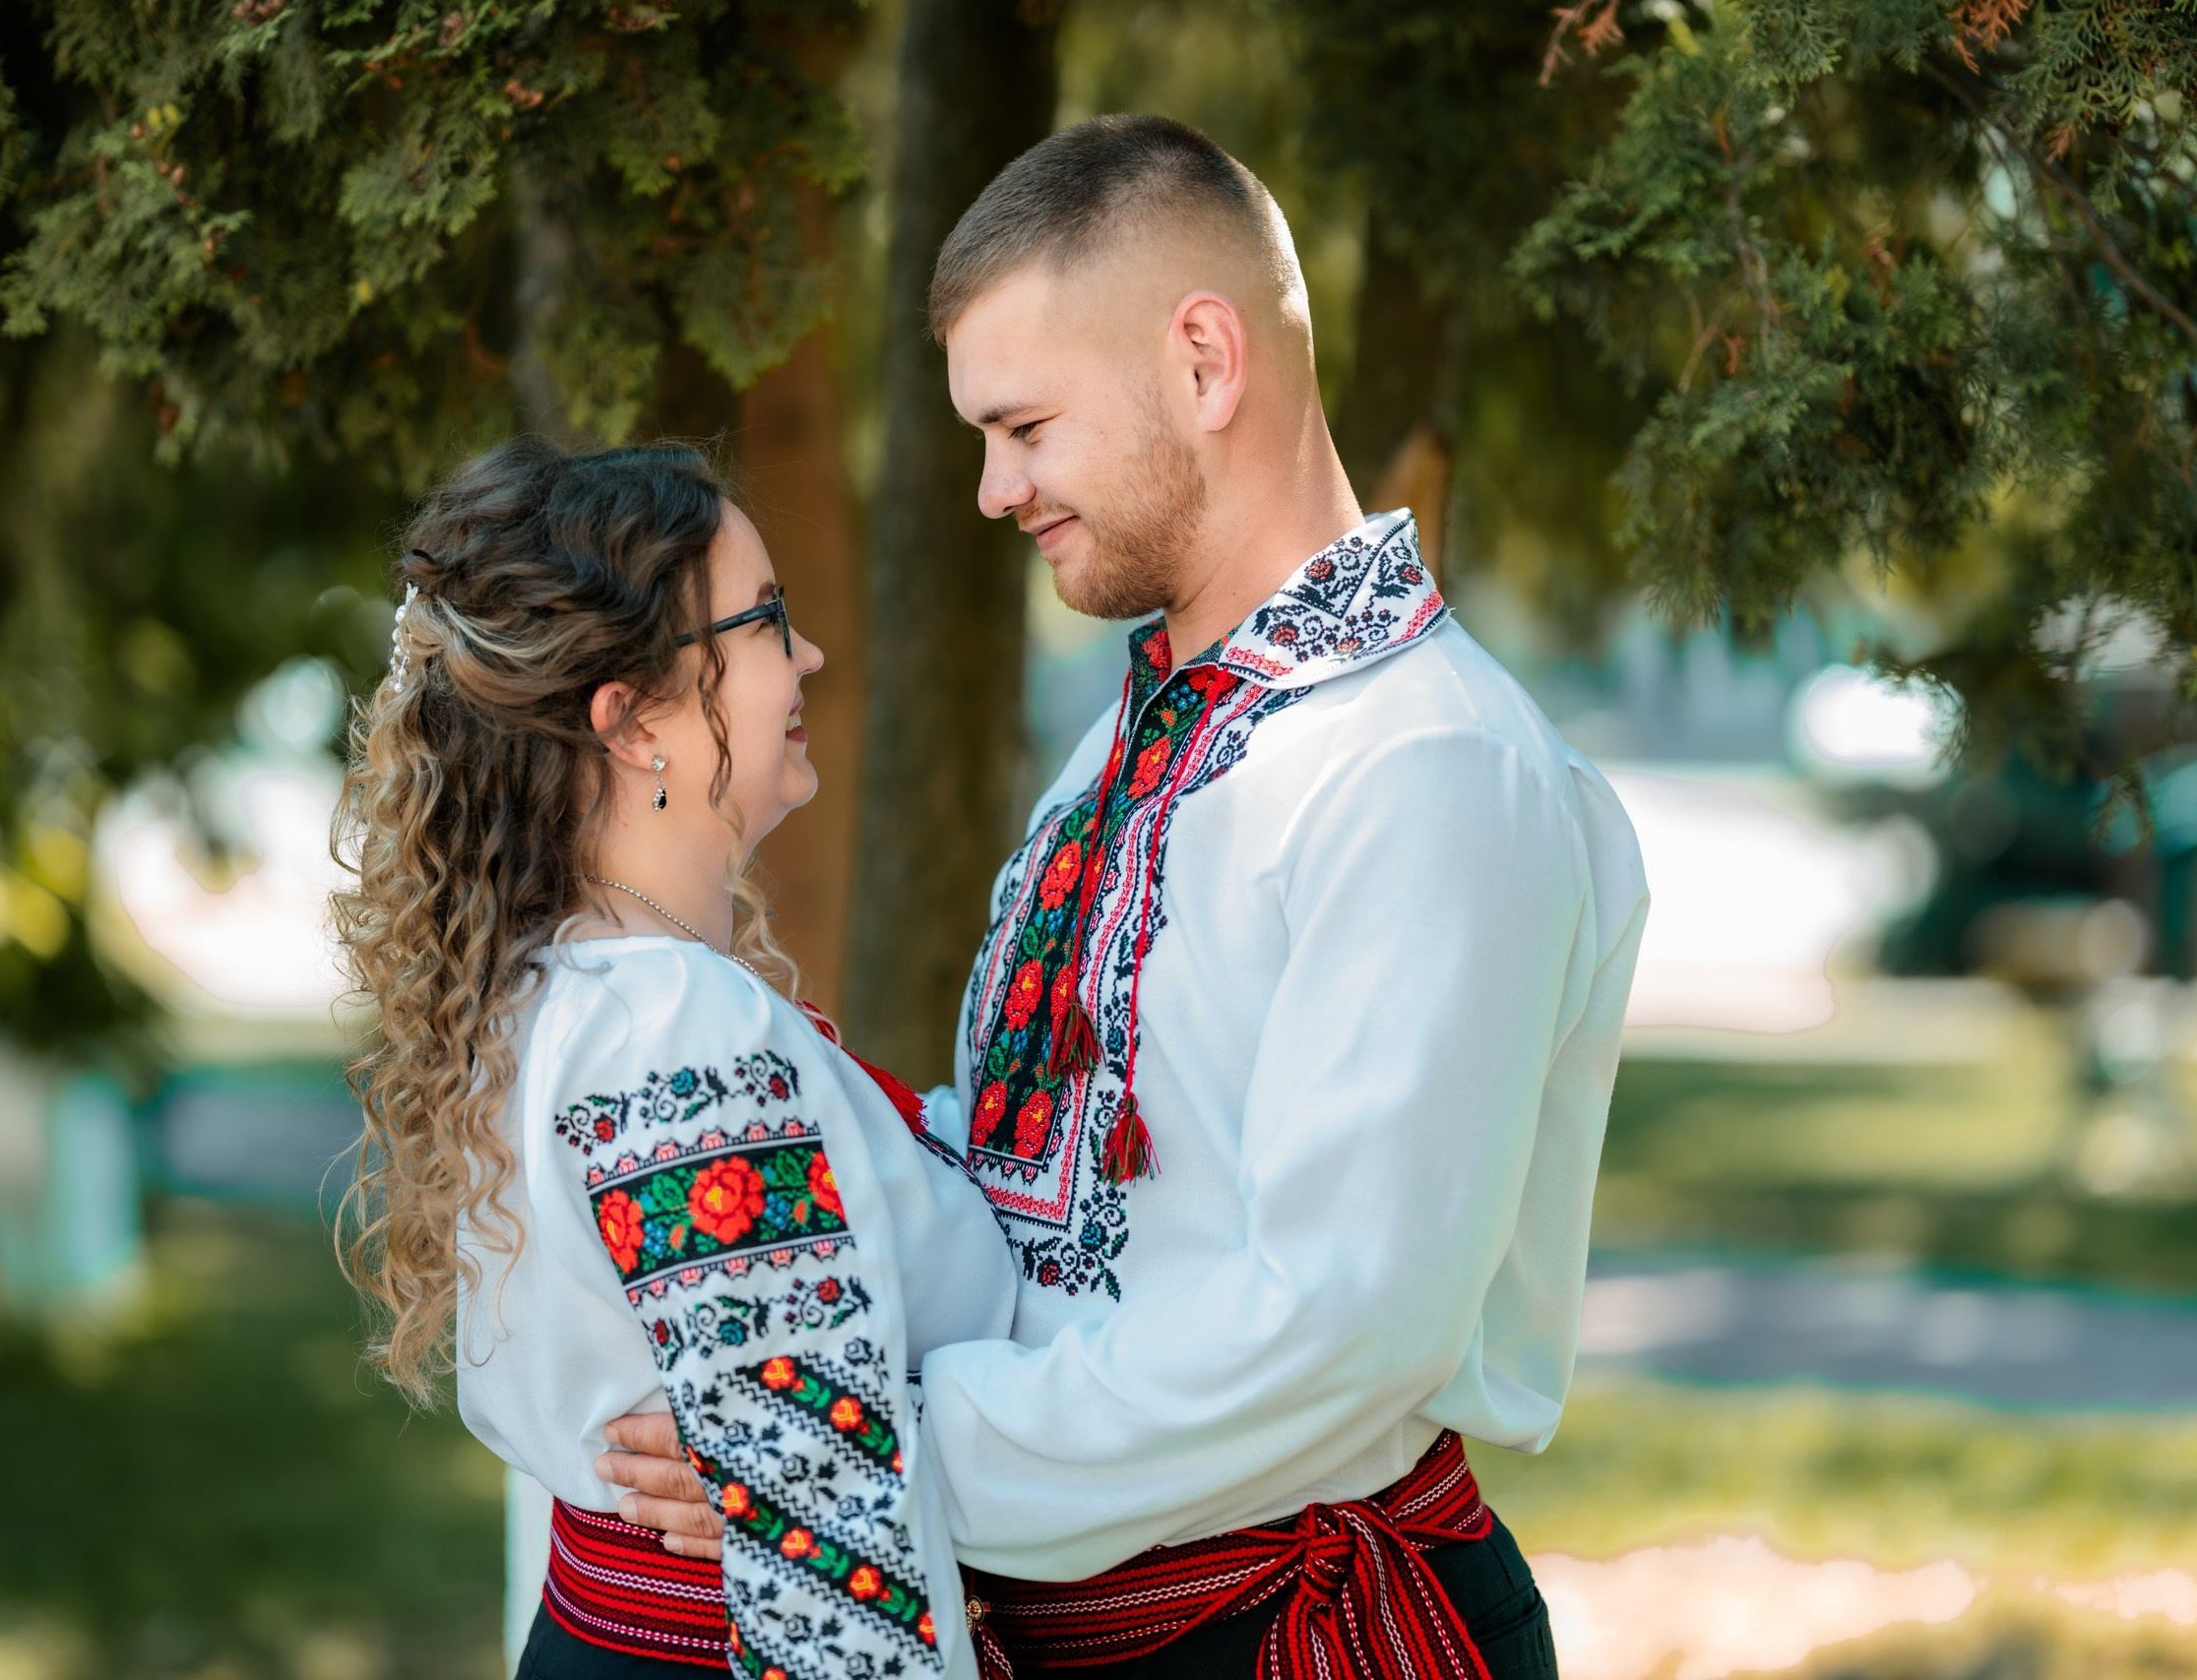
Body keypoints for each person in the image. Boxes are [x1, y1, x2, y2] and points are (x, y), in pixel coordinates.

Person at [609, 115, 1650, 1680]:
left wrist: (854, 1454)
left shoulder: (1427, 762)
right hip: (1066, 1609)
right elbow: (1040, 1172)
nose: (993, 488)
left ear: (1205, 362)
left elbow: (1340, 1324)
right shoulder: (1139, 735)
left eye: (1024, 425)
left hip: (1284, 1630)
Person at [332, 437, 1016, 1680]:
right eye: (766, 621)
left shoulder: (556, 993)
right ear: (634, 719)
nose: (808, 657)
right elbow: (827, 1578)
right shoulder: (670, 1032)